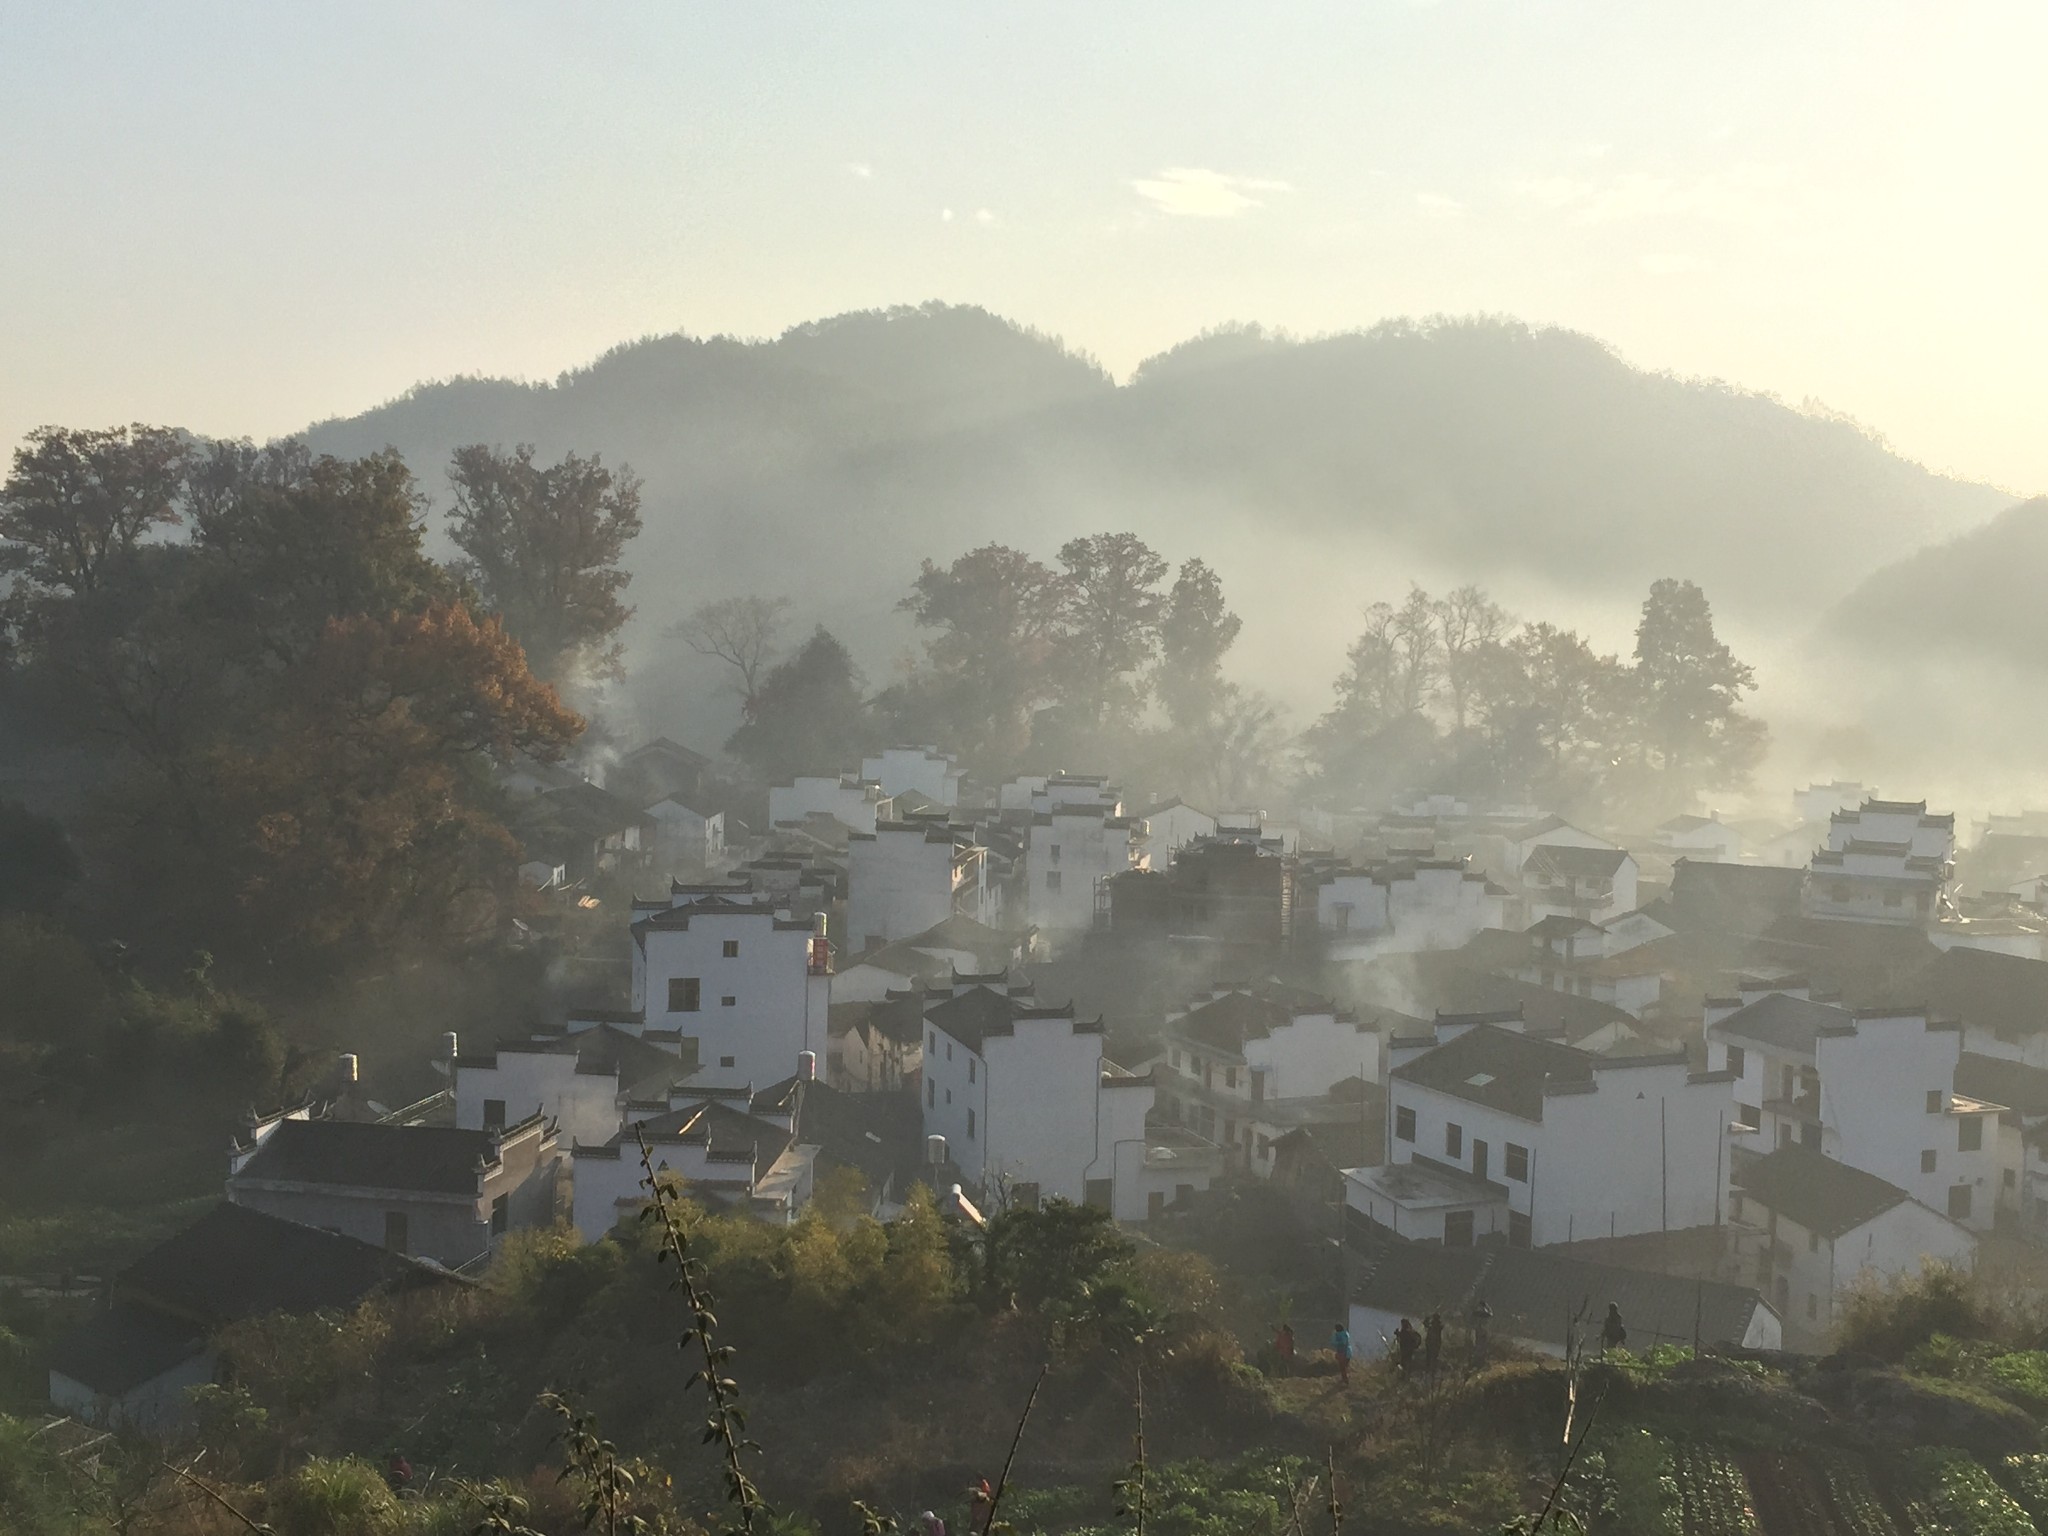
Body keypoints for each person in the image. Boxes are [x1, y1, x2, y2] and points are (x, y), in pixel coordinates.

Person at [1469, 1298, 1494, 1366]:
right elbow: (1491, 1314)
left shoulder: (1479, 1314)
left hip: (1480, 1330)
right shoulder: (1478, 1314)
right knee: (1479, 1344)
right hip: (1479, 1330)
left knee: (1481, 1344)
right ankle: (1477, 1358)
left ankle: (1478, 1358)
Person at [1331, 1320, 1353, 1384]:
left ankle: (1345, 1381)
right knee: (1345, 1367)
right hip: (1348, 1352)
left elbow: (1342, 1343)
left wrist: (1336, 1342)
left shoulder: (1339, 1334)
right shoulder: (1346, 1333)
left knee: (1342, 1367)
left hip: (1343, 1353)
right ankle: (1345, 1379)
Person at [1423, 1309, 1445, 1375]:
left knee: (1429, 1357)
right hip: (1436, 1343)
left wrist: (1427, 1318)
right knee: (1434, 1357)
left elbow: (1425, 1323)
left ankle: (1429, 1370)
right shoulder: (1439, 1326)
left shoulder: (1432, 1326)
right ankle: (1432, 1370)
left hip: (1431, 1343)